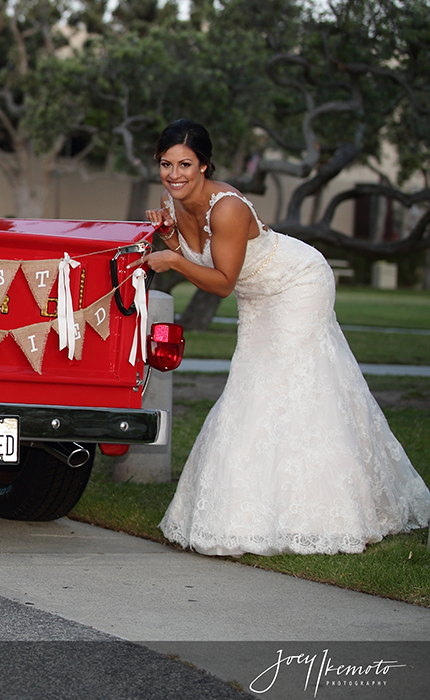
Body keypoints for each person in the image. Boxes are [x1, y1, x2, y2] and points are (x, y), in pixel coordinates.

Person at [143, 118, 430, 556]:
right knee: (251, 388)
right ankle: (247, 512)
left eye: (185, 164)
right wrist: (170, 236)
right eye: (166, 164)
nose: (174, 174)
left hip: (298, 282)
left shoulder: (228, 208)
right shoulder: (175, 200)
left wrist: (172, 261)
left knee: (299, 383)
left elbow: (219, 281)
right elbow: (199, 255)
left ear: (204, 166)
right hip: (257, 296)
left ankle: (332, 513)